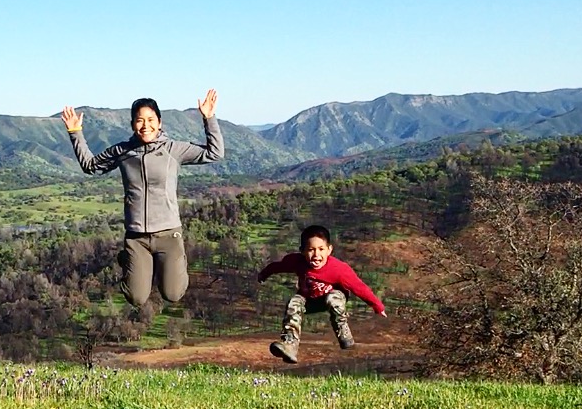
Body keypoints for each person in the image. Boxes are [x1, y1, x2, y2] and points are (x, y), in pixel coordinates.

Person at [61, 90, 222, 308]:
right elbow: (90, 166)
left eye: (150, 120)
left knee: (173, 294)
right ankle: (129, 261)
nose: (145, 125)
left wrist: (208, 118)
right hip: (136, 238)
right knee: (136, 298)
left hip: (168, 234)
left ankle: (176, 262)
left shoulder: (173, 149)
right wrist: (75, 132)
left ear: (159, 122)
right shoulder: (123, 150)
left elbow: (215, 153)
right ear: (132, 124)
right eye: (139, 120)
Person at [257, 224, 387, 364]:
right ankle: (290, 345)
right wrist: (264, 274)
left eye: (321, 249)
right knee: (294, 303)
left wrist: (377, 306)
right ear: (302, 251)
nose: (316, 255)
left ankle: (342, 330)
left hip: (332, 297)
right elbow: (279, 266)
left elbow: (359, 287)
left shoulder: (339, 269)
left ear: (329, 250)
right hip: (309, 300)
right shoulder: (297, 262)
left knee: (333, 298)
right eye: (311, 250)